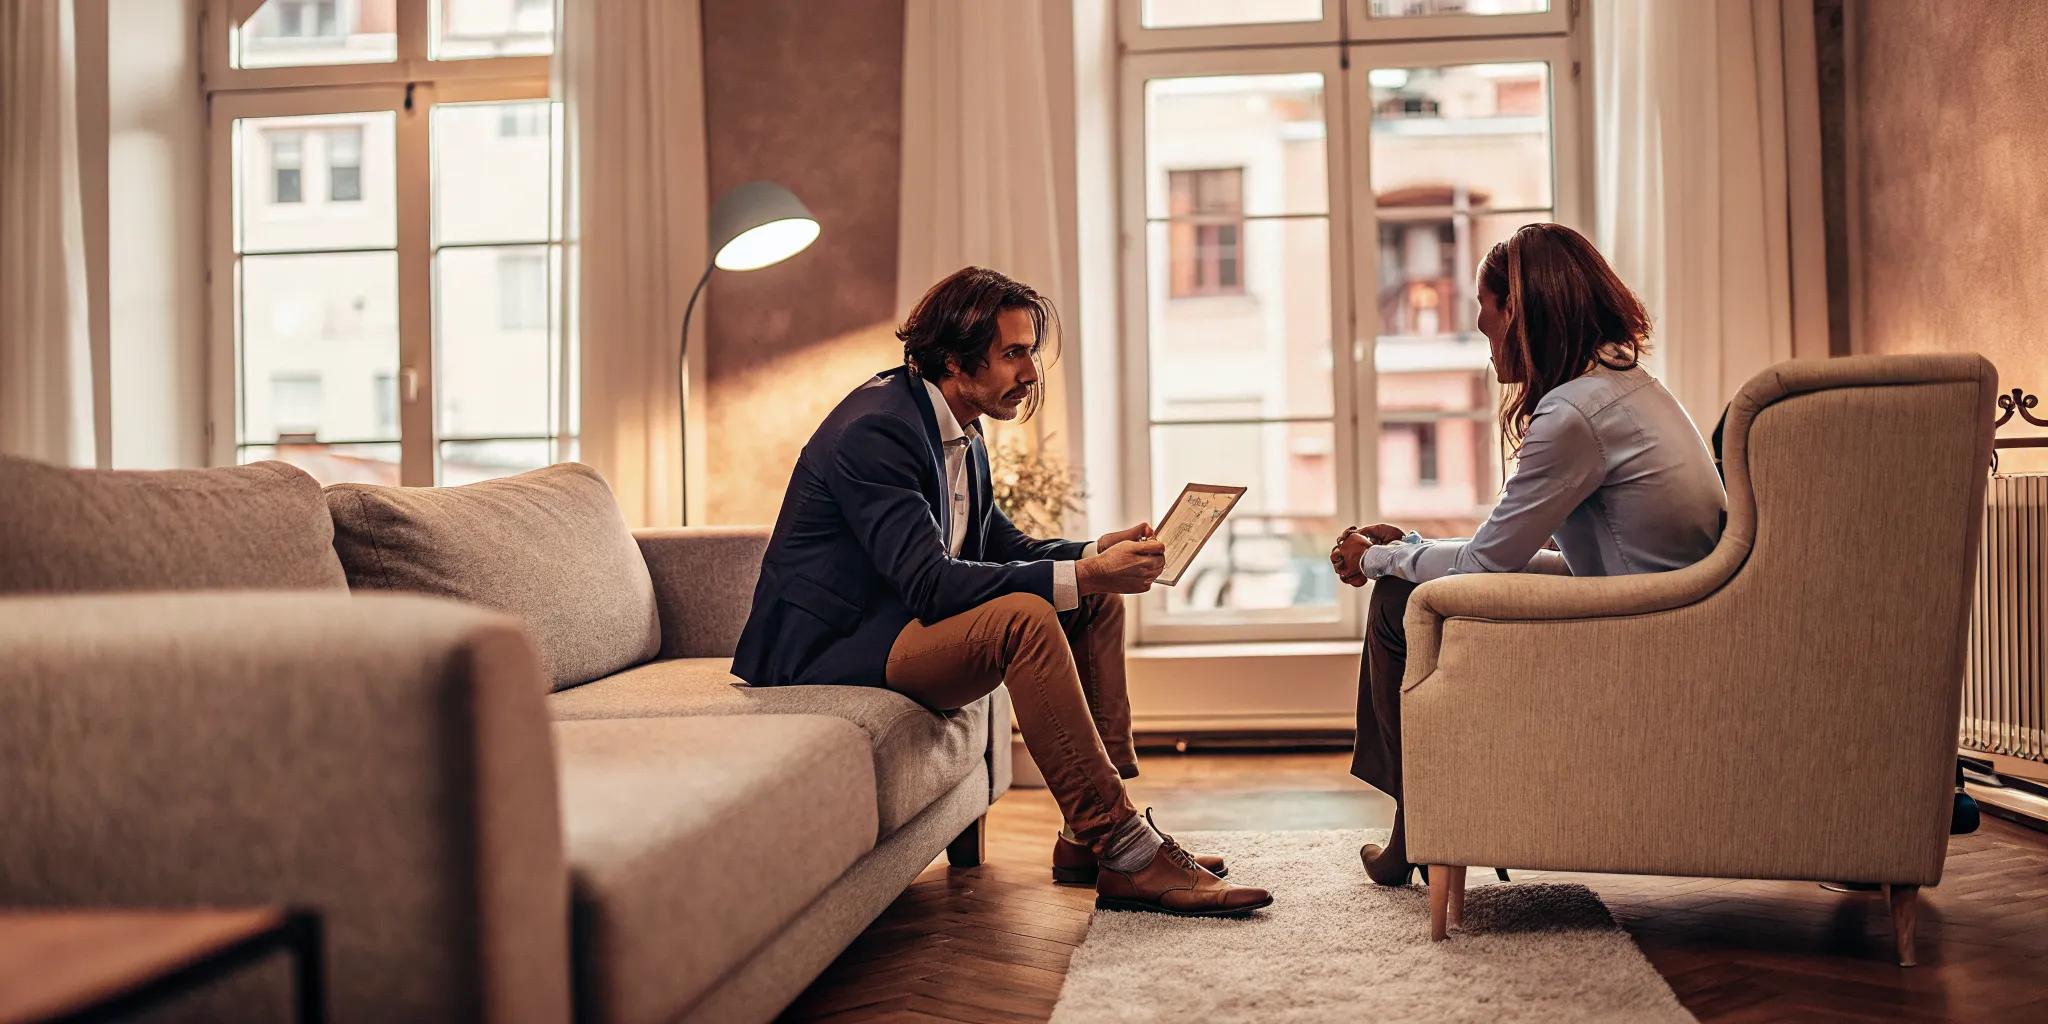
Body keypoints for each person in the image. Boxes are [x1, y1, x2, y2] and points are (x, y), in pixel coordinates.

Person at [733, 266, 1271, 917]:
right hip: (827, 647)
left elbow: (1002, 548)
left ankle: (1089, 834)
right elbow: (930, 584)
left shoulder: (961, 427)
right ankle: (1128, 851)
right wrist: (1086, 571)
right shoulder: (877, 432)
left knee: (1091, 598)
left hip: (892, 623)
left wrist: (1096, 557)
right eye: (1013, 354)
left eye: (1030, 353)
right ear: (956, 362)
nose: (1031, 372)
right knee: (1023, 619)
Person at [1332, 224, 1726, 886]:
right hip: (1652, 609)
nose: (1488, 350)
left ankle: (1418, 825)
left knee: (1399, 597)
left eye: (1487, 325)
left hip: (1637, 636)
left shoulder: (1574, 413)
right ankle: (1417, 825)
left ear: (1518, 310)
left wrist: (1379, 559)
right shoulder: (1624, 386)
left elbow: (1487, 566)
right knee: (1411, 582)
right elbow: (1513, 546)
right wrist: (1409, 548)